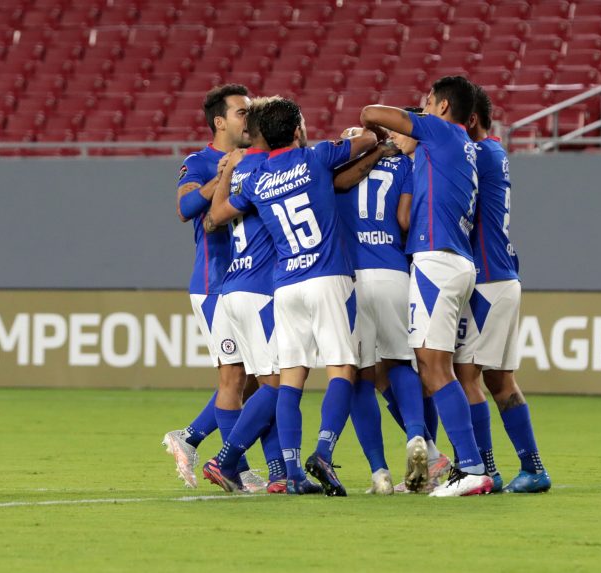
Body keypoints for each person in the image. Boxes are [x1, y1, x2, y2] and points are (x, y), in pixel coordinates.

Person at [208, 97, 378, 496]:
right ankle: (322, 450)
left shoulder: (256, 176)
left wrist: (229, 172)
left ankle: (289, 471)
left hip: (285, 286)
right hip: (327, 277)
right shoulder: (317, 157)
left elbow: (215, 216)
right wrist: (375, 139)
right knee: (341, 368)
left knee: (290, 379)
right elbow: (366, 139)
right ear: (298, 129)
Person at [361, 76, 493, 497]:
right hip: (454, 260)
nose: (422, 107)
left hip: (438, 261)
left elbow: (370, 113)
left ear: (440, 106)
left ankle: (470, 468)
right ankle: (465, 465)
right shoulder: (459, 147)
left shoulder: (438, 130)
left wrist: (402, 125)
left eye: (426, 102)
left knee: (434, 367)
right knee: (434, 366)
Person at [200, 97, 309, 495]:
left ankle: (279, 474)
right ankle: (225, 458)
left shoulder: (243, 167)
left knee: (269, 384)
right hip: (262, 290)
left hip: (234, 288)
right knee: (279, 386)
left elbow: (212, 219)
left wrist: (227, 171)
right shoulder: (272, 167)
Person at [454, 85, 551, 494]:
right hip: (498, 275)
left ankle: (486, 470)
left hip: (488, 279)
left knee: (465, 375)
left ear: (469, 121)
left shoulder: (477, 154)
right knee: (499, 381)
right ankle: (532, 469)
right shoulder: (492, 152)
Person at [162, 84, 259, 489]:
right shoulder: (200, 161)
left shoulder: (258, 158)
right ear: (220, 122)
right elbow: (185, 209)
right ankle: (234, 466)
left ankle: (191, 437)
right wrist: (220, 177)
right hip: (214, 281)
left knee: (255, 377)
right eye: (241, 112)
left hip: (249, 279)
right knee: (235, 377)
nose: (248, 119)